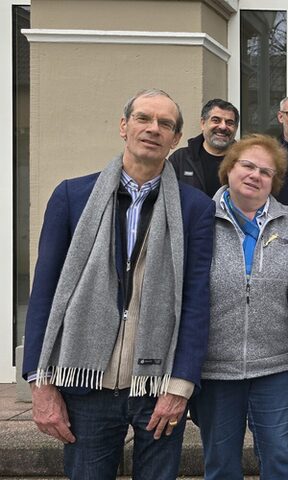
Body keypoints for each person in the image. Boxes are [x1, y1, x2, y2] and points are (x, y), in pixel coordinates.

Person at [22, 88, 215, 479]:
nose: (153, 129)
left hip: (157, 384)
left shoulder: (195, 208)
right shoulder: (72, 196)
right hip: (85, 383)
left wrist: (180, 385)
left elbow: (196, 300)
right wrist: (39, 383)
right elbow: (45, 293)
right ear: (124, 127)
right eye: (143, 118)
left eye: (165, 123)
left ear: (176, 139)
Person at [191, 134, 288, 479]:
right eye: (248, 166)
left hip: (277, 365)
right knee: (221, 464)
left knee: (281, 460)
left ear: (275, 181)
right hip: (216, 368)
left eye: (266, 172)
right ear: (229, 169)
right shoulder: (199, 219)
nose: (255, 175)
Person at [169, 98, 239, 197]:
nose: (223, 127)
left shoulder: (243, 161)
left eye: (229, 123)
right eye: (216, 120)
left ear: (235, 128)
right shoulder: (180, 159)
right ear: (203, 123)